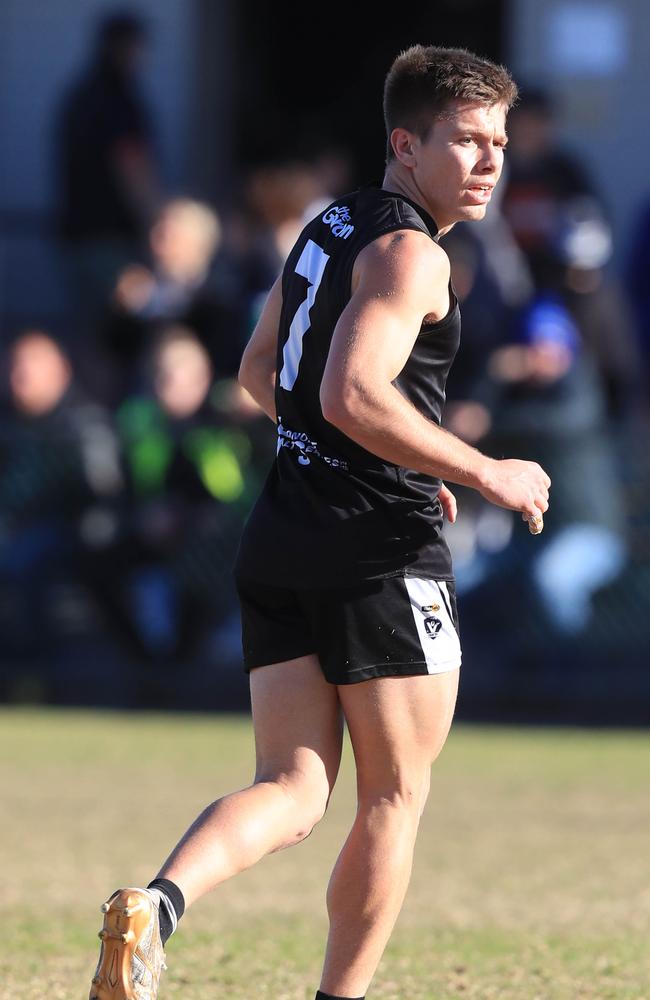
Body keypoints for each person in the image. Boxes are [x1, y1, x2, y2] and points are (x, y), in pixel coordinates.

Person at [89, 45, 550, 1000]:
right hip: (376, 550)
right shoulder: (413, 251)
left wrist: (398, 454)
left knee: (294, 788)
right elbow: (350, 391)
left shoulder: (325, 229)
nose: (490, 161)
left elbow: (263, 373)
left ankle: (157, 904)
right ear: (404, 144)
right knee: (394, 794)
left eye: (499, 142)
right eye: (466, 140)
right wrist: (480, 467)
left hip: (285, 528)